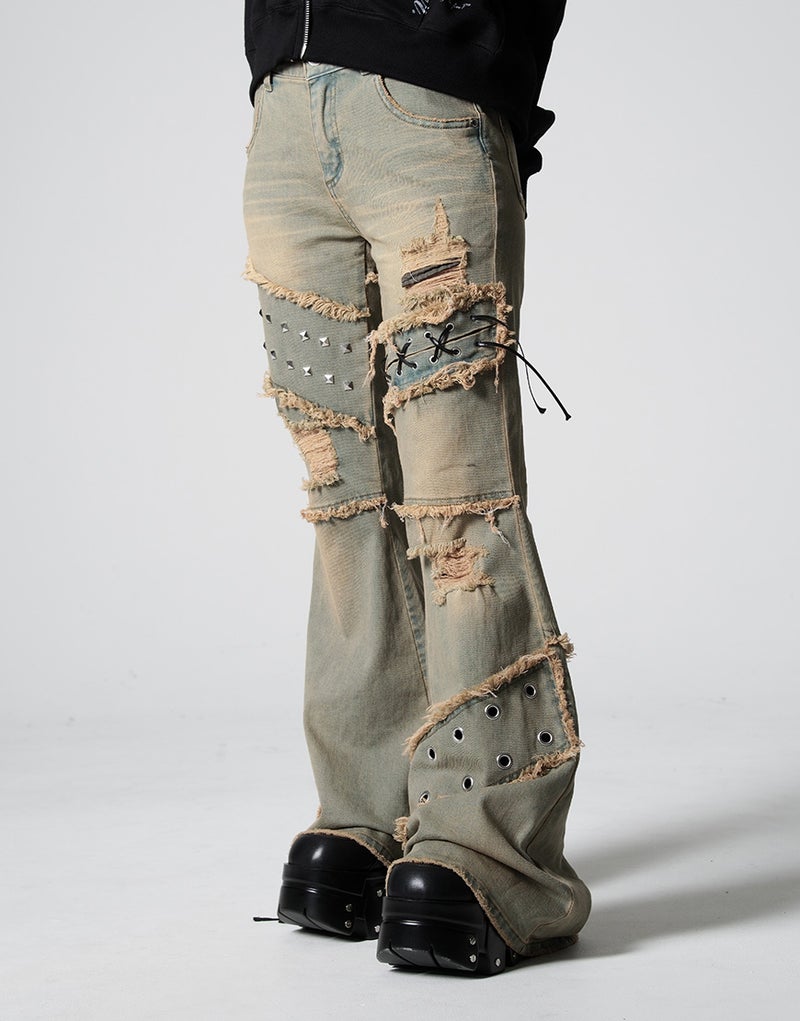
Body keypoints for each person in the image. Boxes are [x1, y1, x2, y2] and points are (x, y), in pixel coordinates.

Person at [242, 0, 590, 975]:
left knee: (413, 501)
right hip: (339, 110)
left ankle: (416, 840)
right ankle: (419, 839)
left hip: (351, 106)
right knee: (378, 498)